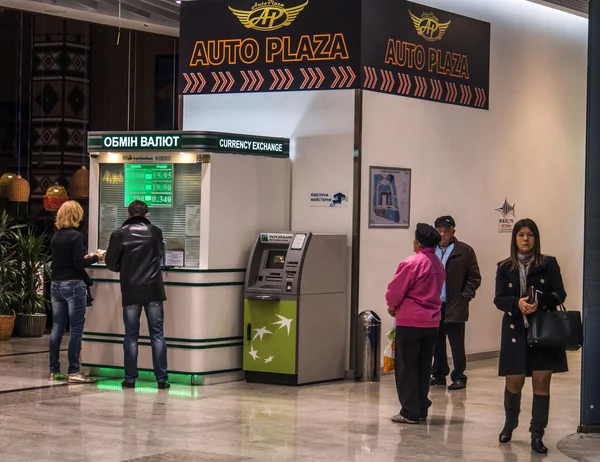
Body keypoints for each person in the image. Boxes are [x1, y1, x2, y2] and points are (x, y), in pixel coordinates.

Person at [494, 218, 567, 454]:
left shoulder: (549, 263)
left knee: (541, 383)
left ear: (536, 238)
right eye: (521, 235)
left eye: (530, 235)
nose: (526, 239)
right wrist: (517, 303)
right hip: (515, 330)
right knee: (513, 382)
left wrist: (539, 301)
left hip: (543, 331)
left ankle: (537, 433)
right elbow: (499, 299)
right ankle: (510, 422)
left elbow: (560, 294)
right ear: (514, 239)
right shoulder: (505, 266)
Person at [105, 200, 169, 389]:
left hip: (131, 289)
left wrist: (123, 267)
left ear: (128, 213)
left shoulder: (119, 234)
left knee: (131, 336)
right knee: (157, 335)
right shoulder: (155, 232)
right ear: (146, 215)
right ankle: (161, 379)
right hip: (153, 290)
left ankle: (130, 379)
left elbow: (110, 263)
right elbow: (159, 254)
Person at [386, 223, 445, 424]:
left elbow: (395, 291)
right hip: (432, 324)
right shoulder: (438, 264)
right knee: (423, 367)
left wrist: (392, 306)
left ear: (418, 243)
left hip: (410, 323)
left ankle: (408, 411)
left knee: (406, 367)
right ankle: (420, 407)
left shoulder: (411, 263)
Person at [49, 201, 102, 383]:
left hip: (56, 285)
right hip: (73, 286)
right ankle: (74, 371)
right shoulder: (76, 236)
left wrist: (83, 257)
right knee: (76, 329)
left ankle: (54, 370)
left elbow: (67, 260)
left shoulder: (56, 236)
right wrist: (96, 257)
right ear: (76, 215)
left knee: (57, 328)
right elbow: (78, 264)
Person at [431, 216, 481, 390]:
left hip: (455, 304)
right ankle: (438, 374)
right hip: (435, 305)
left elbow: (474, 277)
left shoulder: (464, 251)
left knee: (456, 344)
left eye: (447, 231)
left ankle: (459, 376)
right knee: (436, 343)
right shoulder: (430, 250)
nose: (443, 234)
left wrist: (464, 296)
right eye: (440, 230)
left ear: (453, 231)